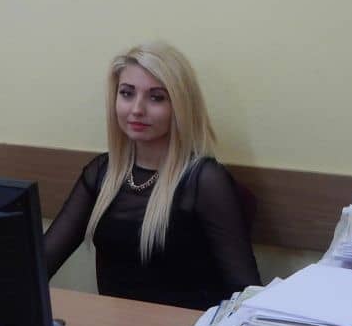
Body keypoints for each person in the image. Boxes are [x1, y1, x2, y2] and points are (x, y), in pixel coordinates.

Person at [44, 42, 261, 310]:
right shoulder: (102, 172)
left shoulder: (205, 181)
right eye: (127, 94)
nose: (137, 109)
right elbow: (43, 260)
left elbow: (246, 291)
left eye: (156, 97)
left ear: (180, 106)